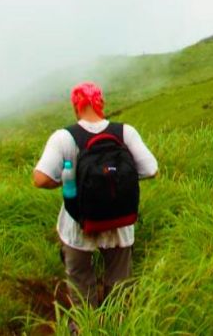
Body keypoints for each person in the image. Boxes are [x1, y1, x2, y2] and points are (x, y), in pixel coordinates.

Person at [32, 82, 159, 307]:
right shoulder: (125, 132)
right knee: (119, 285)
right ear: (101, 104)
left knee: (81, 282)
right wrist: (118, 178)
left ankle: (83, 327)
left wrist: (69, 180)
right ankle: (117, 324)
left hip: (78, 224)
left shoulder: (64, 137)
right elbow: (151, 169)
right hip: (120, 224)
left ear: (76, 106)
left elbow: (40, 179)